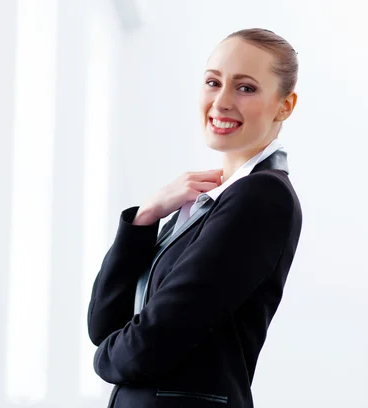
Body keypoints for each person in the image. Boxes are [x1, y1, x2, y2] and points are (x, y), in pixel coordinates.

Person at [87, 28, 302, 408]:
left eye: (245, 88)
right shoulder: (204, 204)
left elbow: (151, 342)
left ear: (284, 106)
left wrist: (103, 358)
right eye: (212, 82)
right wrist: (146, 216)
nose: (221, 102)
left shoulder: (261, 197)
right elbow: (105, 324)